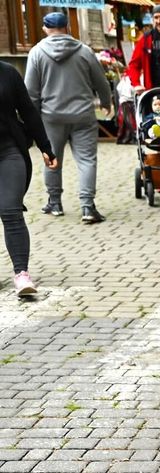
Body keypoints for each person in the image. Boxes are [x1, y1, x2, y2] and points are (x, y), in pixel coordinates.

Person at [24, 12, 112, 224]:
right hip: (83, 115)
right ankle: (88, 207)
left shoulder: (37, 53)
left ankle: (54, 202)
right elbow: (100, 81)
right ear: (67, 28)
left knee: (52, 159)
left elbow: (30, 91)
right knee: (87, 160)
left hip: (51, 116)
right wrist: (106, 102)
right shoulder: (84, 51)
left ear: (45, 28)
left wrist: (32, 119)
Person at [0, 61, 57, 298]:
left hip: (9, 151)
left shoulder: (8, 73)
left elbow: (28, 111)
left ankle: (21, 275)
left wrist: (46, 146)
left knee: (10, 210)